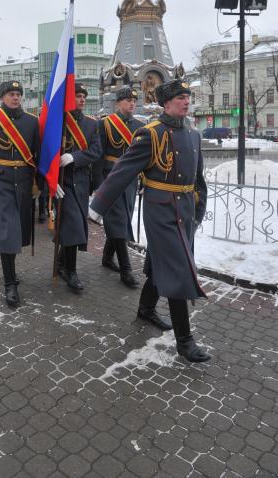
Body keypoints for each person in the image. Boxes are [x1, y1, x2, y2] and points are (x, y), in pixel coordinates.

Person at [91, 79, 210, 363]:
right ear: (165, 103)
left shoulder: (193, 135)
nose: (185, 101)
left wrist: (199, 210)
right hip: (161, 212)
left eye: (187, 97)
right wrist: (97, 206)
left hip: (185, 212)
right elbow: (122, 171)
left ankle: (145, 309)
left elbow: (199, 180)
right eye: (180, 97)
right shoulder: (151, 134)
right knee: (179, 270)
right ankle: (185, 341)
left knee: (162, 265)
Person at [0, 80, 40, 307]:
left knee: (18, 233)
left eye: (18, 94)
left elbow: (39, 154)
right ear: (2, 97)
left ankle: (11, 272)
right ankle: (9, 284)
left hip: (23, 183)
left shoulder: (33, 122)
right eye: (11, 94)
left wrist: (40, 184)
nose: (16, 97)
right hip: (0, 183)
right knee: (6, 232)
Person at [92, 86, 144, 287]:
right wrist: (97, 184)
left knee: (121, 220)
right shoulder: (105, 124)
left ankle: (106, 257)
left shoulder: (140, 126)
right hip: (110, 179)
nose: (131, 103)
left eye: (134, 100)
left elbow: (143, 159)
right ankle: (126, 269)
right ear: (117, 103)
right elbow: (98, 156)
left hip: (130, 181)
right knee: (120, 221)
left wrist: (142, 180)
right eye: (127, 100)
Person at [56, 83, 102, 291]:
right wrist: (50, 181)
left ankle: (61, 262)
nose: (82, 99)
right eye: (77, 95)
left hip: (81, 180)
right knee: (73, 225)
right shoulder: (57, 122)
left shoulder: (92, 125)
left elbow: (95, 151)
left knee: (72, 226)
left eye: (84, 96)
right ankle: (70, 271)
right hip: (62, 181)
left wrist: (74, 156)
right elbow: (46, 150)